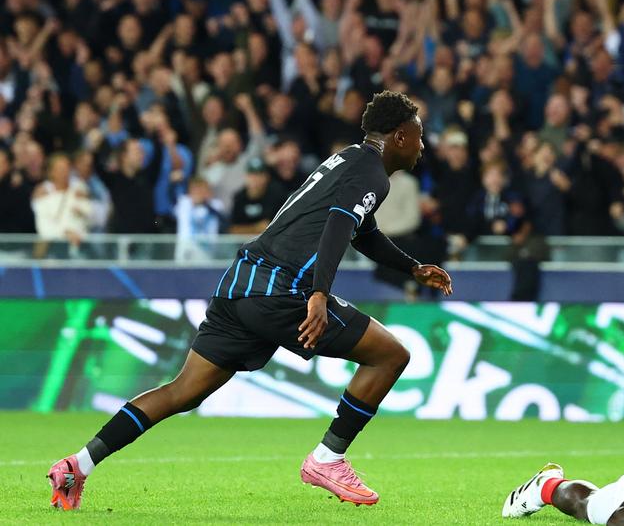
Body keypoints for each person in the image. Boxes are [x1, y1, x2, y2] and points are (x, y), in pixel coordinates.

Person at [47, 92, 454, 510]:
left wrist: (411, 267)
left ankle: (78, 464)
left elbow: (361, 231)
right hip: (282, 289)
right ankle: (328, 458)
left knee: (182, 391)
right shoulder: (372, 174)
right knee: (390, 355)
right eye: (419, 137)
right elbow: (338, 225)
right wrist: (319, 292)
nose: (423, 146)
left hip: (240, 282)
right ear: (400, 136)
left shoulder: (349, 159)